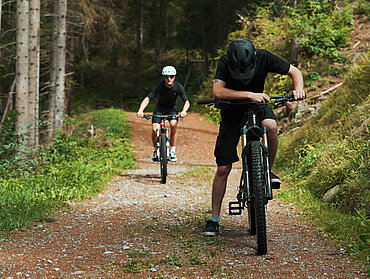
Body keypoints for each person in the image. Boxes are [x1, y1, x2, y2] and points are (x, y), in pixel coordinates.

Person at [202, 39, 305, 236]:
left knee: (271, 126)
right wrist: (249, 94)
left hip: (258, 105)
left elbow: (294, 71)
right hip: (231, 110)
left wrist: (298, 88)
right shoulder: (224, 62)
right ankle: (214, 219)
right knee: (223, 167)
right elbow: (217, 91)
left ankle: (268, 171)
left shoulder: (264, 57)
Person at [137, 66, 190, 162]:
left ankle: (172, 151)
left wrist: (184, 111)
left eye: (171, 76)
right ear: (163, 77)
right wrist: (141, 110)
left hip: (172, 109)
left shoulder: (178, 87)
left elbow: (186, 101)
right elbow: (148, 98)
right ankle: (155, 150)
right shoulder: (159, 86)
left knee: (173, 124)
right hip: (160, 109)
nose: (169, 79)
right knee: (154, 129)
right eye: (166, 76)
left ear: (174, 77)